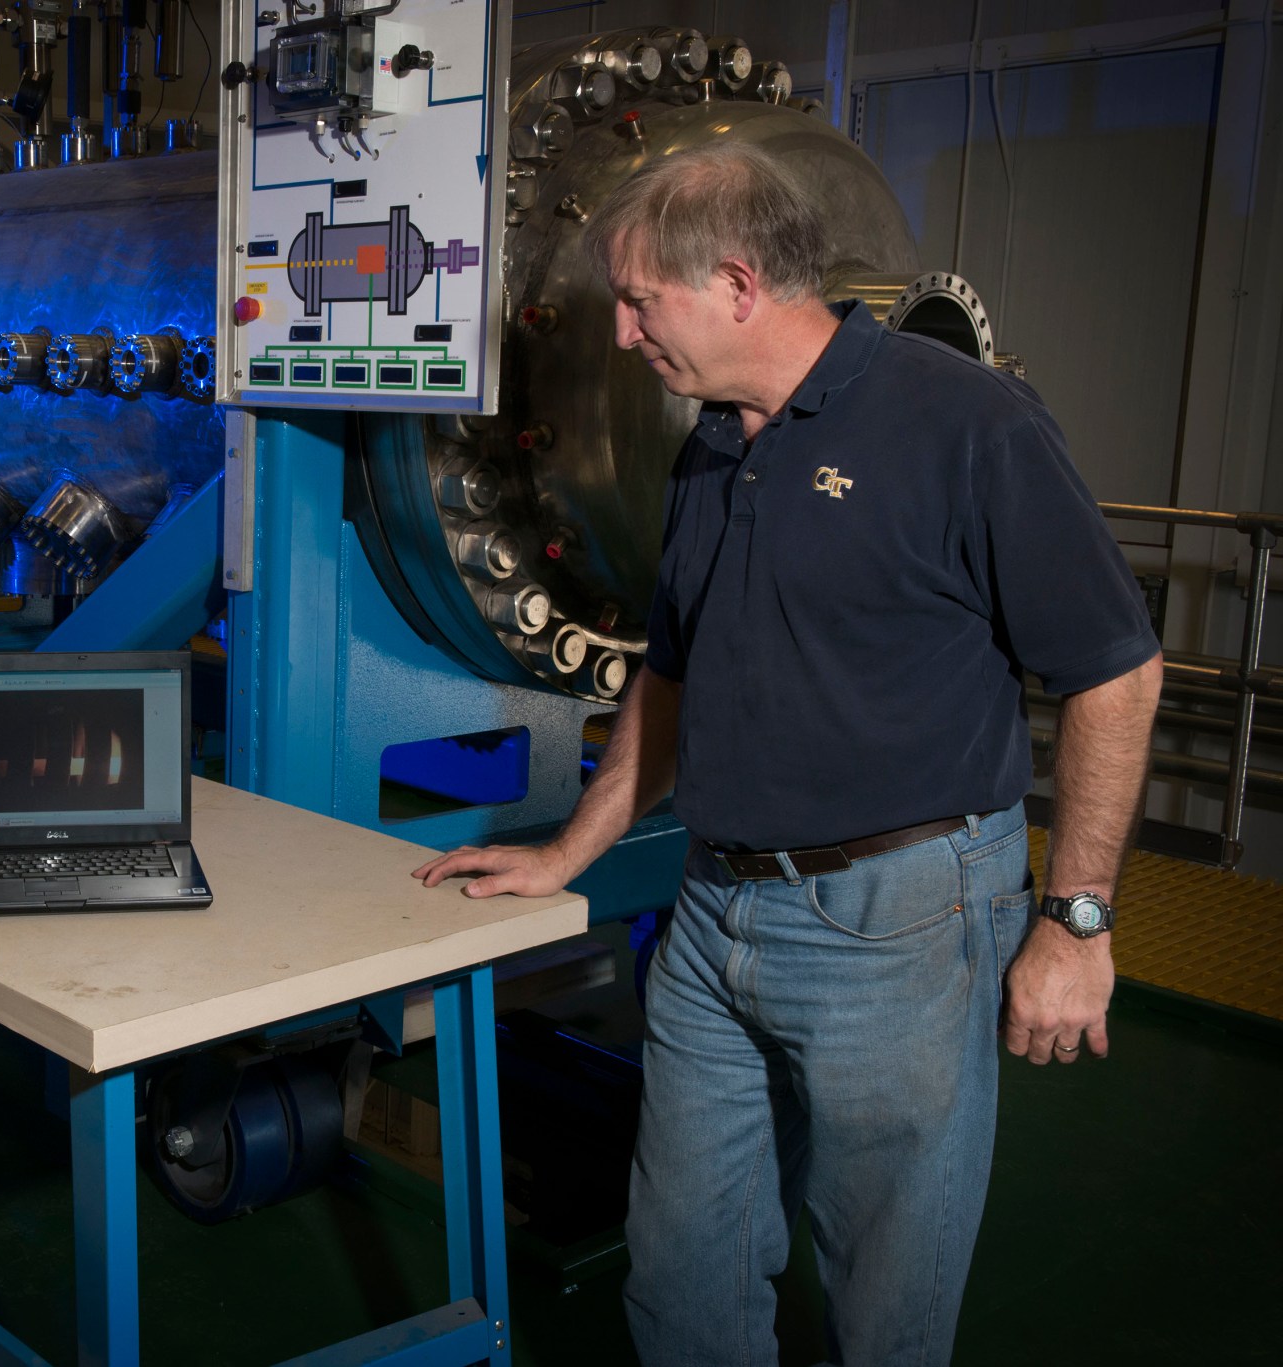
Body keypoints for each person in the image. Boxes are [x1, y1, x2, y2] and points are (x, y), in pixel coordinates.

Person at [414, 141, 1162, 1365]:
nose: (622, 337)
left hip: (901, 921)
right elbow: (673, 670)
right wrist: (567, 851)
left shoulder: (961, 421)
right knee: (680, 1268)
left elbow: (1115, 670)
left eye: (641, 303)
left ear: (737, 282)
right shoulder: (714, 439)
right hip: (715, 913)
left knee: (883, 1295)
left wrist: (1075, 918)